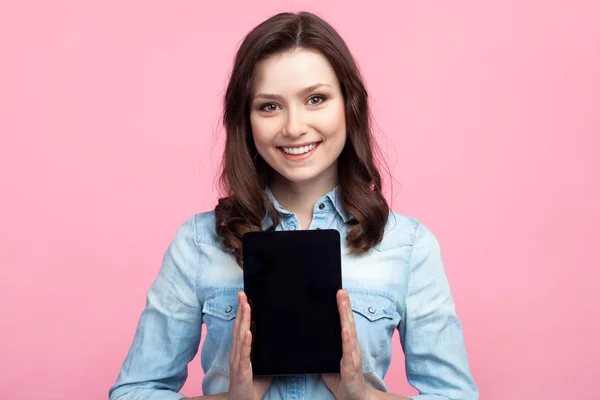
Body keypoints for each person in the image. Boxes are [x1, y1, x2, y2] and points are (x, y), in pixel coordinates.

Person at [109, 11, 479, 400]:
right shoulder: (198, 243)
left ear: (349, 105)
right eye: (269, 106)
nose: (294, 127)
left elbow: (456, 395)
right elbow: (133, 392)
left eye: (316, 99)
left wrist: (363, 397)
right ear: (246, 119)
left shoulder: (408, 246)